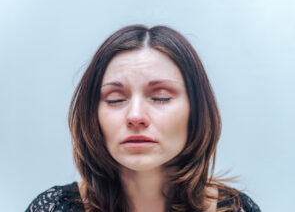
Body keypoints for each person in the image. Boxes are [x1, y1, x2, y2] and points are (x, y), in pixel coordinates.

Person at [26, 25, 261, 212]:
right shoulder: (53, 208)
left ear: (197, 112)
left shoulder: (237, 209)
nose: (136, 116)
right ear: (92, 116)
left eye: (160, 97)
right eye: (116, 99)